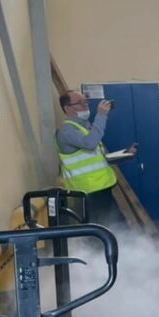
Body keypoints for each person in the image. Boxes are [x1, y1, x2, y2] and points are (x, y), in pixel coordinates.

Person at [56, 90, 135, 228]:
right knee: (101, 233)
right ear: (67, 108)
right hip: (88, 193)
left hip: (102, 189)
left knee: (117, 229)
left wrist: (124, 156)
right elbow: (90, 143)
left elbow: (96, 159)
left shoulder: (86, 127)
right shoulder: (66, 131)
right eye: (79, 103)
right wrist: (101, 116)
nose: (85, 105)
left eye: (85, 102)